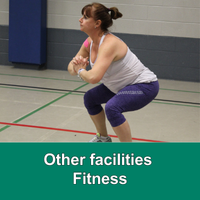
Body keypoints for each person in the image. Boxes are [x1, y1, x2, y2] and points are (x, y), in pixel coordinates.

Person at [68, 3, 159, 142]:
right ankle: (103, 139)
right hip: (120, 86)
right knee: (90, 98)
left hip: (143, 86)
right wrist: (76, 67)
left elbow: (93, 78)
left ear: (97, 23)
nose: (80, 20)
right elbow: (70, 68)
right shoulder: (89, 42)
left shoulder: (109, 44)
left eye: (85, 17)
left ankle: (128, 155)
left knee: (112, 107)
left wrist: (80, 69)